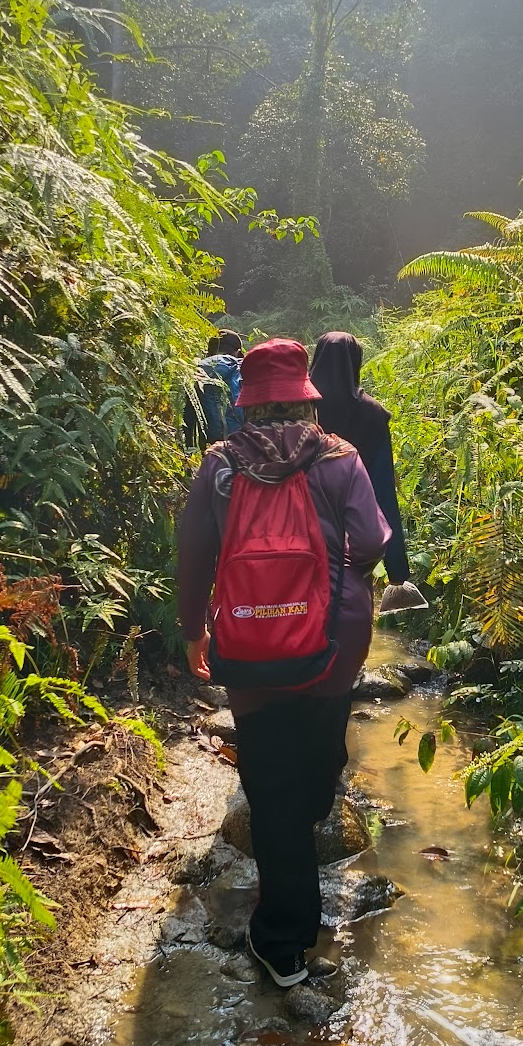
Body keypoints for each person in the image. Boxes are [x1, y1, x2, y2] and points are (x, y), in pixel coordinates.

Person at [176, 338, 390, 988]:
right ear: (304, 392)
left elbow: (194, 556)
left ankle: (283, 946)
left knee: (268, 788)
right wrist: (337, 578)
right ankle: (315, 808)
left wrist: (194, 634)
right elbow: (375, 542)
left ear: (248, 399)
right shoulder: (340, 458)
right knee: (320, 755)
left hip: (249, 644)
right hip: (333, 637)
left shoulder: (219, 465)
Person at [309, 331, 425, 610]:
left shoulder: (301, 408)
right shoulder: (373, 414)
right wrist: (396, 568)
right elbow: (383, 488)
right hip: (354, 532)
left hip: (302, 526)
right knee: (347, 610)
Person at [184, 330, 244, 450]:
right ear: (237, 352)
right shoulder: (243, 368)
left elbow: (187, 415)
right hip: (242, 442)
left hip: (209, 444)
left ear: (209, 352)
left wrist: (189, 447)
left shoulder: (194, 370)